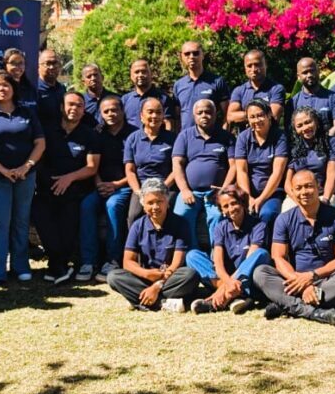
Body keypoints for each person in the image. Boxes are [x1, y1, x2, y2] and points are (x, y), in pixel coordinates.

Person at [253, 169, 335, 325]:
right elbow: (278, 257)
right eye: (298, 188)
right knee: (260, 272)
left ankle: (287, 304)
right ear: (292, 191)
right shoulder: (284, 219)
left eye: (308, 186)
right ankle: (312, 311)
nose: (304, 192)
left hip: (325, 280)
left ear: (318, 187)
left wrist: (311, 277)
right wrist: (301, 283)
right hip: (293, 280)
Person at [0, 70, 45, 289]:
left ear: (13, 88)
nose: (1, 89)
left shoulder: (27, 112)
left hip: (26, 176)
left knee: (21, 221)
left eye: (5, 85)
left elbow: (40, 143)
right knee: (0, 223)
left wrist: (26, 166)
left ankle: (20, 266)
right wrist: (3, 170)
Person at [32, 91, 101, 284]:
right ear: (62, 107)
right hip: (46, 189)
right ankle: (58, 265)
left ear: (84, 110)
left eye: (79, 105)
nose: (74, 109)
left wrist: (68, 179)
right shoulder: (47, 131)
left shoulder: (90, 135)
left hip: (76, 191)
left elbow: (92, 167)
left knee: (67, 225)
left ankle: (57, 266)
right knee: (39, 215)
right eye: (71, 104)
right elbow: (38, 158)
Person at [106, 177, 200, 312]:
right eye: (150, 203)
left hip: (170, 277)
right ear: (143, 205)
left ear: (167, 202)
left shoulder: (180, 224)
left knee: (190, 275)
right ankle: (163, 303)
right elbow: (128, 262)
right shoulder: (137, 226)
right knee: (113, 277)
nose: (155, 207)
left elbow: (177, 263)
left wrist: (157, 285)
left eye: (159, 201)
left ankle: (140, 299)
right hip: (146, 276)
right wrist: (146, 274)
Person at [186, 185, 272, 314]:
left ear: (242, 203)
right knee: (192, 255)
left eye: (234, 203)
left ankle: (223, 297)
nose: (231, 209)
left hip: (245, 278)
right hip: (225, 277)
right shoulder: (220, 227)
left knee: (261, 254)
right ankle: (234, 294)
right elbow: (218, 262)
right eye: (225, 206)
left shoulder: (258, 225)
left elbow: (250, 260)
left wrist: (227, 286)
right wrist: (227, 283)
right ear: (221, 210)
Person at [79, 96, 134, 283]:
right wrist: (99, 184)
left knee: (112, 205)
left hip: (125, 186)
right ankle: (88, 261)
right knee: (87, 206)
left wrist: (117, 185)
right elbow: (93, 165)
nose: (110, 114)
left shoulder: (133, 134)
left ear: (122, 111)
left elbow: (136, 168)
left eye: (114, 110)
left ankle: (113, 259)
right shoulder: (97, 134)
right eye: (106, 111)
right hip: (101, 185)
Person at [172, 99, 236, 248]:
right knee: (181, 215)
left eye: (208, 112)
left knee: (218, 216)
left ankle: (217, 255)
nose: (204, 115)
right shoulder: (184, 136)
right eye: (200, 112)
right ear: (194, 115)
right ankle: (191, 254)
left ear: (215, 114)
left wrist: (223, 190)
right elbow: (177, 164)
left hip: (216, 192)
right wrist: (184, 190)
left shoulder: (226, 137)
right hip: (190, 192)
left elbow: (234, 166)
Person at [123, 97, 177, 230]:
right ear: (141, 116)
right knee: (134, 215)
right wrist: (138, 191)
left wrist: (163, 187)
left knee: (166, 213)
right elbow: (130, 170)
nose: (154, 116)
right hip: (142, 187)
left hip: (166, 186)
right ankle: (136, 242)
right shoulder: (133, 139)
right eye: (150, 112)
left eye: (159, 112)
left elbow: (177, 168)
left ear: (163, 116)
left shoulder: (173, 138)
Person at [234, 98, 288, 226]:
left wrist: (261, 199)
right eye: (252, 117)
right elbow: (241, 171)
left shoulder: (280, 137)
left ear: (269, 115)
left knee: (267, 214)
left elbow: (277, 172)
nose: (256, 120)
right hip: (247, 192)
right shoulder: (243, 138)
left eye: (260, 115)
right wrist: (248, 198)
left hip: (273, 192)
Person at [285, 106, 335, 209]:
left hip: (323, 195)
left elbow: (332, 174)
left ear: (316, 121)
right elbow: (287, 182)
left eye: (308, 122)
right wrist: (299, 203)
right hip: (298, 197)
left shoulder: (331, 142)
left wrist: (325, 200)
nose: (305, 128)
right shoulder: (293, 147)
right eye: (299, 125)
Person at [173, 41, 229, 130]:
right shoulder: (178, 85)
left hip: (211, 136)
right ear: (181, 57)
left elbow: (227, 114)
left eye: (196, 53)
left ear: (202, 55)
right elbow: (176, 117)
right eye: (187, 54)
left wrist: (224, 134)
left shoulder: (217, 81)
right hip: (186, 136)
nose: (191, 56)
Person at [285, 57, 335, 135]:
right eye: (305, 72)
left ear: (318, 71)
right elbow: (290, 130)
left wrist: (324, 140)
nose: (309, 75)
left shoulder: (334, 98)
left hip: (329, 141)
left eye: (312, 71)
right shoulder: (293, 103)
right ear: (298, 76)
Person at [227, 49, 285, 127]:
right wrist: (259, 115)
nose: (253, 69)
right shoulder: (239, 91)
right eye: (249, 66)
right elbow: (230, 117)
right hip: (245, 135)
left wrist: (245, 117)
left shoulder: (276, 89)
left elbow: (273, 117)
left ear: (265, 65)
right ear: (245, 68)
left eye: (257, 65)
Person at [120, 59, 175, 131]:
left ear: (151, 74)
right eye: (136, 72)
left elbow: (168, 124)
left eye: (144, 72)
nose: (140, 75)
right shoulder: (125, 99)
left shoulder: (163, 98)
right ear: (131, 76)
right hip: (131, 138)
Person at [36, 48, 66, 128]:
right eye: (48, 63)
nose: (52, 67)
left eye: (55, 63)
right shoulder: (33, 90)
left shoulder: (62, 89)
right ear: (39, 66)